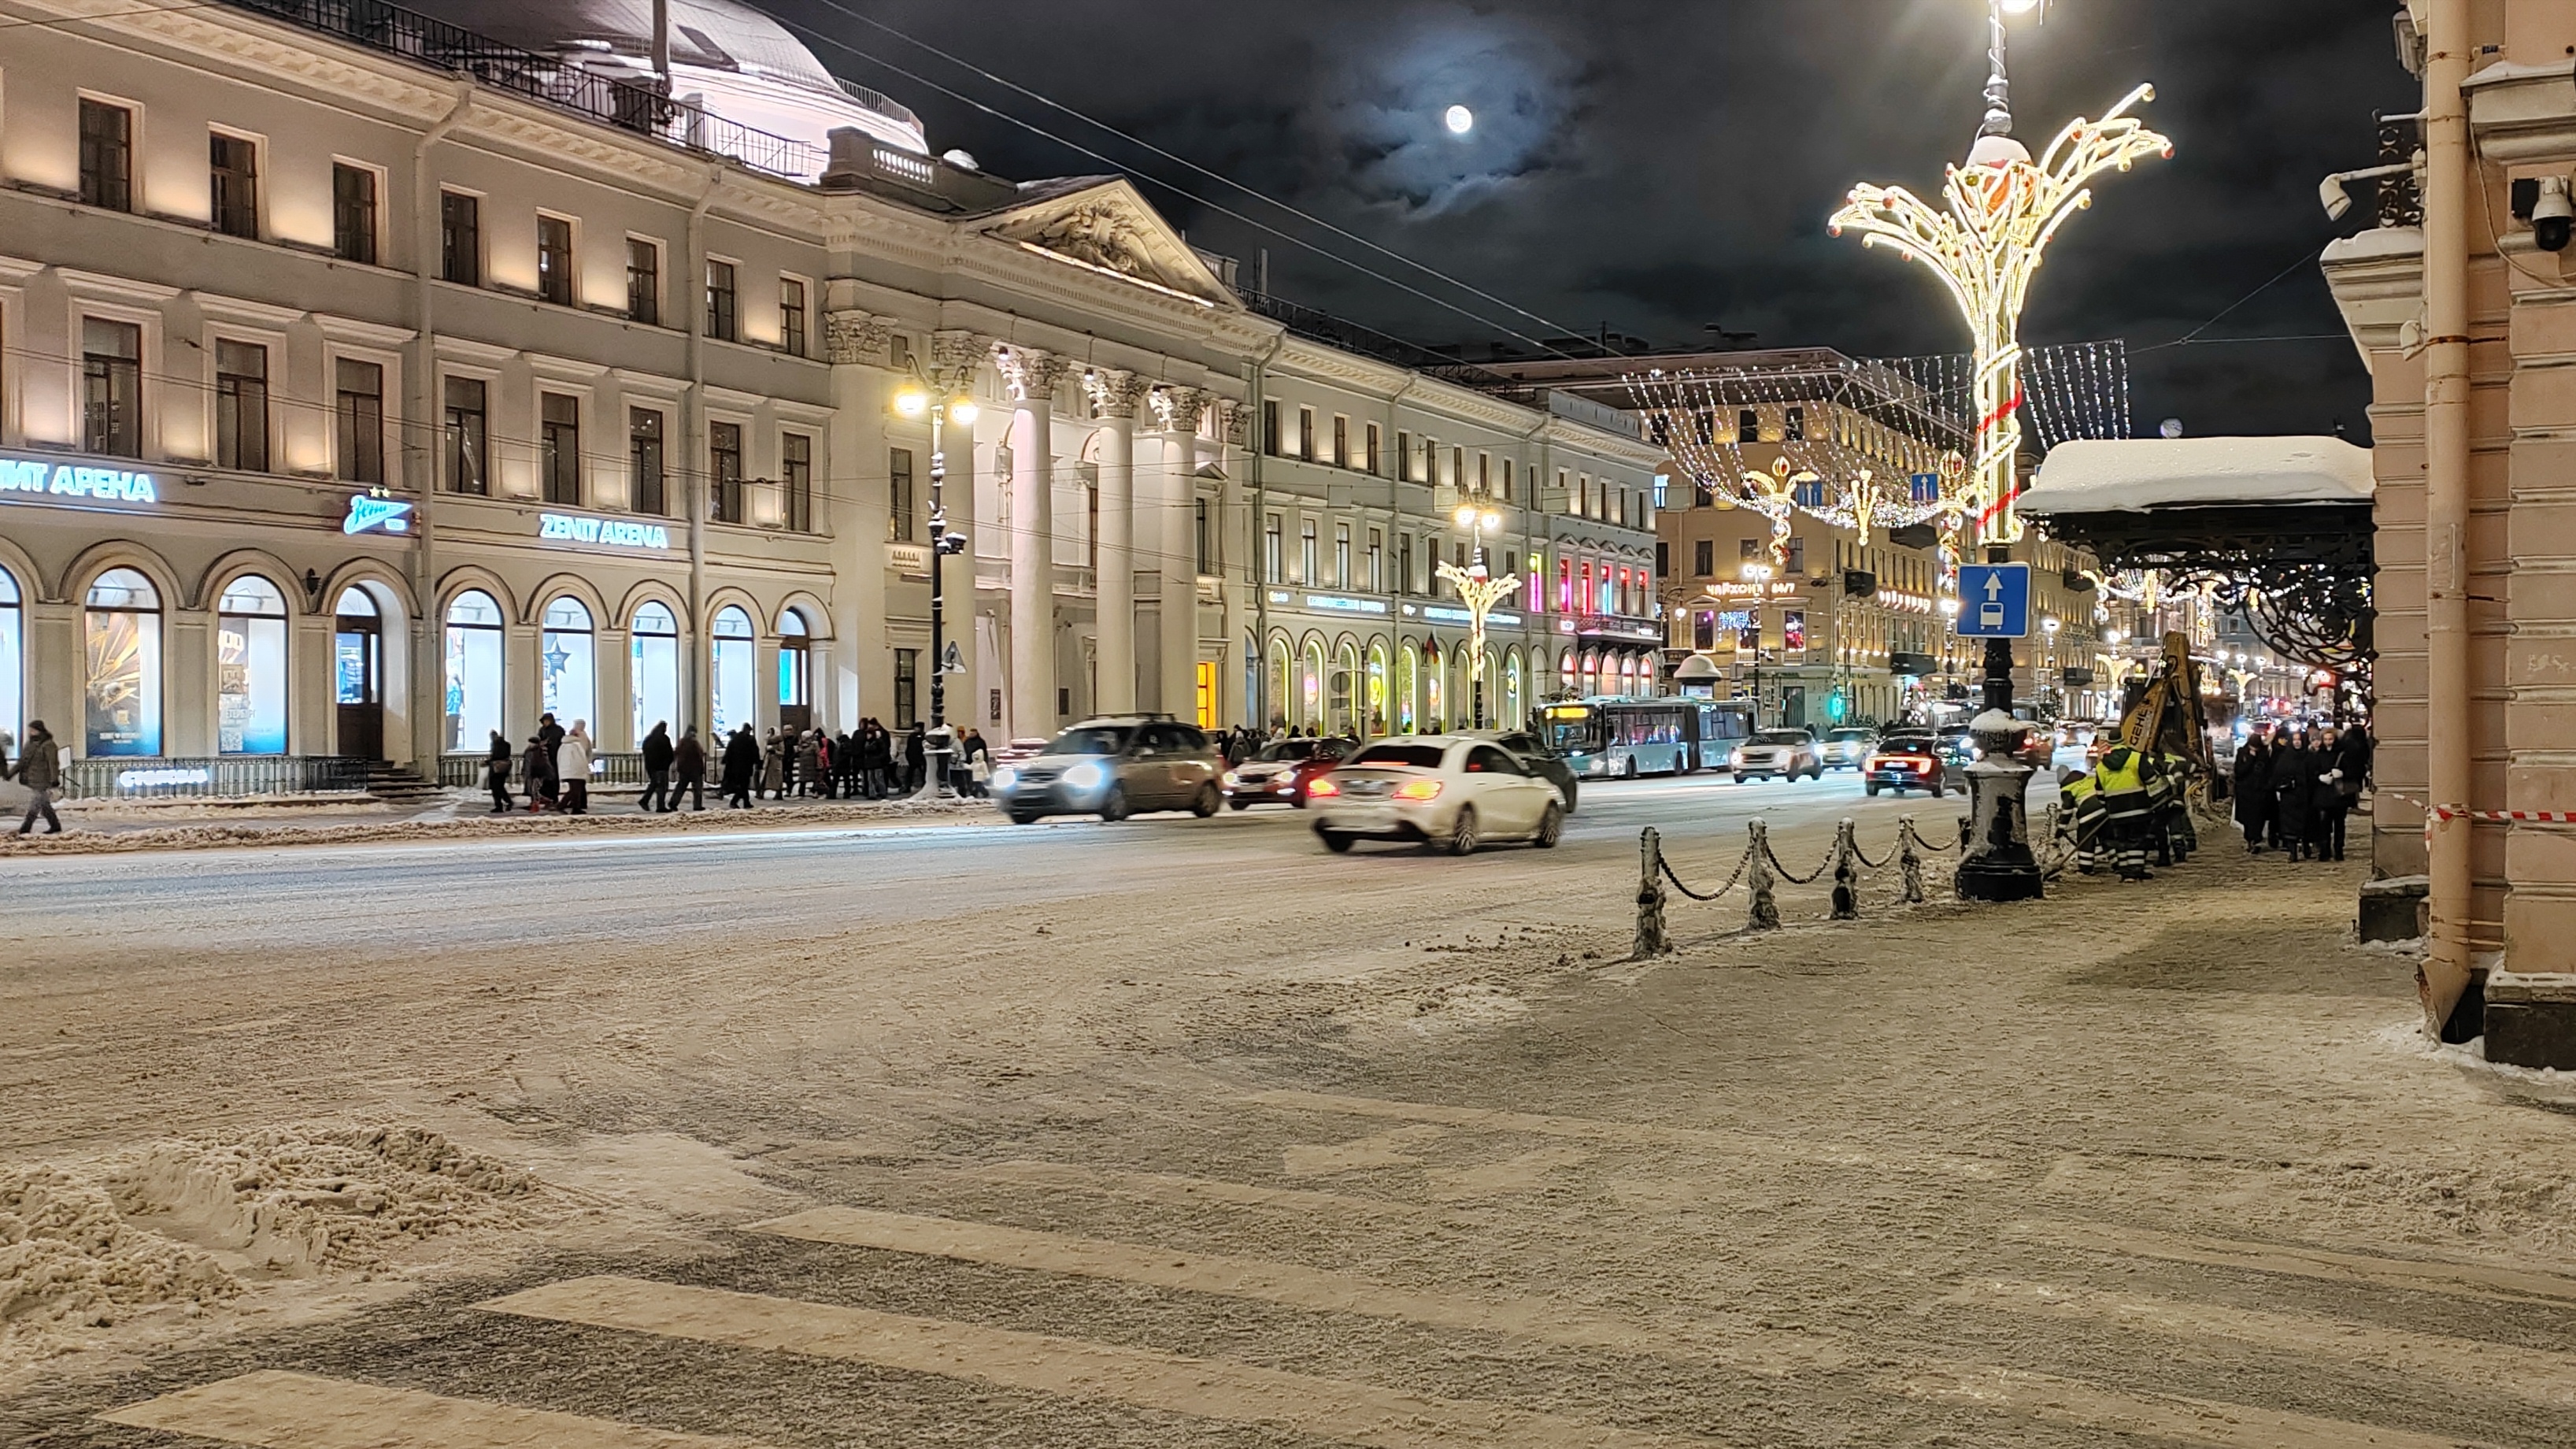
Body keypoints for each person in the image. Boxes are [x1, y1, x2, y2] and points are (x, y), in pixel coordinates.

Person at [2322, 723, 2371, 862]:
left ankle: (2335, 849)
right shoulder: (2344, 751)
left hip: (2338, 792)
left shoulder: (2344, 752)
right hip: (2329, 793)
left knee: (2336, 822)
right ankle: (2332, 849)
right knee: (2332, 823)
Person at [9, 719, 62, 836]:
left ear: (39, 730)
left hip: (43, 779)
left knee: (36, 803)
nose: (31, 732)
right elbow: (22, 761)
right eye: (30, 730)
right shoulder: (30, 744)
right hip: (32, 779)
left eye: (33, 730)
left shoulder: (48, 745)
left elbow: (52, 763)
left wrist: (54, 779)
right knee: (44, 804)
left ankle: (25, 828)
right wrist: (11, 773)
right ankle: (55, 826)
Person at [2272, 729, 2319, 862]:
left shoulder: (2309, 757)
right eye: (2295, 740)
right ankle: (2293, 852)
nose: (2297, 742)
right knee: (2290, 826)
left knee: (2307, 824)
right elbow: (2278, 775)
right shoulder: (2285, 757)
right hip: (2290, 797)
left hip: (2307, 796)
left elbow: (2314, 774)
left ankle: (2307, 848)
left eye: (2299, 739)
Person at [2232, 731, 2274, 853]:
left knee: (2259, 817)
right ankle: (2250, 840)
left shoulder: (2264, 754)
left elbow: (2268, 771)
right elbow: (2239, 771)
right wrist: (2251, 758)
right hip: (2245, 791)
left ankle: (2256, 839)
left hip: (2260, 791)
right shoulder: (2242, 753)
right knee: (2248, 818)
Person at [557, 719, 594, 814]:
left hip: (568, 771)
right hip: (576, 771)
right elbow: (580, 759)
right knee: (576, 790)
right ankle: (567, 806)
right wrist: (586, 769)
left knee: (575, 789)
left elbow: (560, 758)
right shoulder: (576, 745)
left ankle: (571, 806)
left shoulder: (564, 745)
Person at [639, 721, 675, 813]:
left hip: (651, 766)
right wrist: (668, 762)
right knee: (662, 787)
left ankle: (645, 800)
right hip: (661, 767)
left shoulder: (649, 739)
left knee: (654, 784)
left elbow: (645, 751)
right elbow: (668, 752)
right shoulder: (664, 739)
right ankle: (660, 806)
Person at [722, 724, 761, 809]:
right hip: (746, 767)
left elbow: (729, 753)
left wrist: (726, 763)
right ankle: (734, 802)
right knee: (743, 786)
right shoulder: (750, 740)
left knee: (743, 786)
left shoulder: (735, 739)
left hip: (736, 768)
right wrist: (758, 763)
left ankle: (746, 802)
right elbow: (755, 753)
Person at [672, 724, 707, 812]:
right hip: (695, 769)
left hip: (684, 768)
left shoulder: (682, 741)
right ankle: (697, 805)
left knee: (681, 787)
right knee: (697, 789)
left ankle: (673, 803)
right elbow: (700, 754)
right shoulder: (694, 742)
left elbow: (676, 753)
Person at [522, 734, 557, 812]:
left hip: (538, 772)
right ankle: (546, 801)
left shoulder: (541, 750)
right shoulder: (528, 751)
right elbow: (526, 762)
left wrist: (548, 772)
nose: (531, 744)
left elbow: (545, 762)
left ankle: (535, 806)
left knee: (534, 790)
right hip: (530, 772)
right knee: (532, 790)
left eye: (532, 742)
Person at [484, 730, 515, 813]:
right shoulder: (507, 744)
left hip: (496, 769)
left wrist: (487, 762)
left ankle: (500, 806)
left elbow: (496, 757)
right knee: (500, 787)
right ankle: (508, 802)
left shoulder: (496, 745)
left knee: (496, 788)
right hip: (504, 769)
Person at [760, 727, 786, 800]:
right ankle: (761, 793)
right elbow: (764, 750)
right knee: (764, 778)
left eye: (772, 732)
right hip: (768, 761)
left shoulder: (779, 741)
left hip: (776, 762)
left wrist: (775, 751)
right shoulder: (767, 740)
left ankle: (778, 794)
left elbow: (782, 752)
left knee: (777, 779)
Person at [798, 728, 824, 799]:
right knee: (802, 779)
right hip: (803, 765)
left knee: (815, 778)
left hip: (812, 764)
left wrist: (819, 764)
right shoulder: (801, 744)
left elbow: (818, 754)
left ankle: (815, 791)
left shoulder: (814, 744)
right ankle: (801, 793)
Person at [902, 723, 927, 794]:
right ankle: (907, 786)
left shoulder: (924, 736)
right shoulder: (911, 736)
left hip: (921, 758)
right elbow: (909, 747)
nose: (916, 729)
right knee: (909, 773)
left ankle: (924, 786)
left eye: (917, 728)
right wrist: (907, 756)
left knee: (923, 773)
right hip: (912, 758)